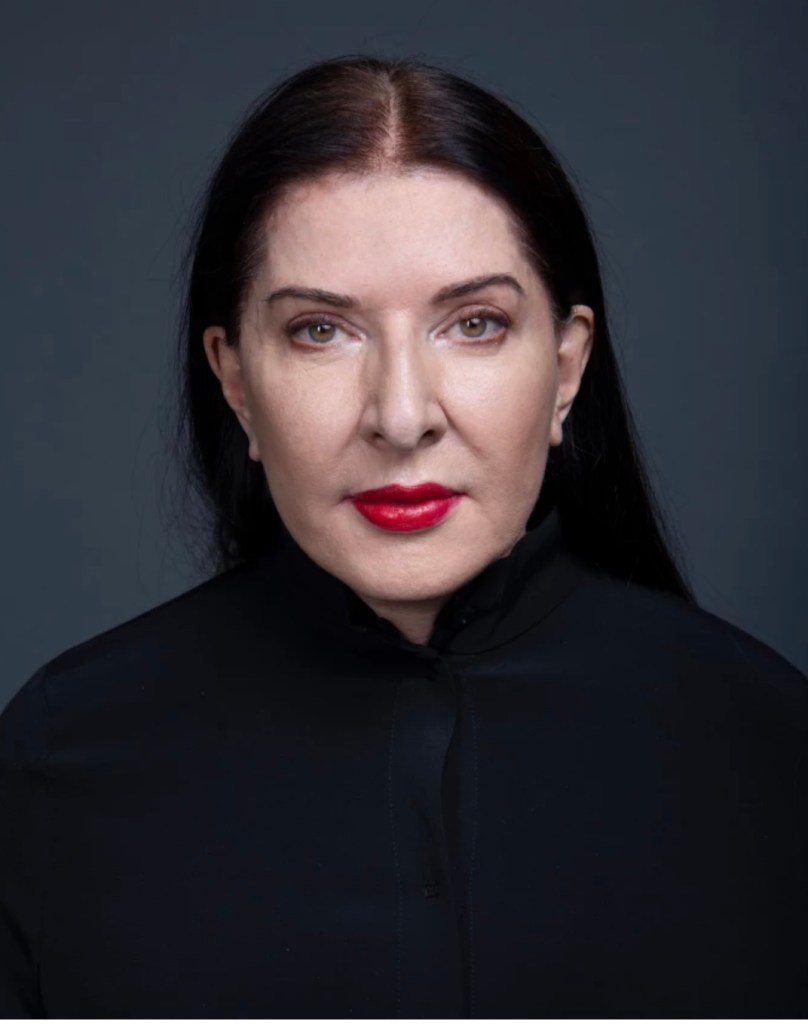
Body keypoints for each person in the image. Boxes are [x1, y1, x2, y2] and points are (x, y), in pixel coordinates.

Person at [1, 54, 806, 1019]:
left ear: (565, 369)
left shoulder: (767, 748)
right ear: (235, 380)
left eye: (474, 324)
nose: (400, 415)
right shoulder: (60, 756)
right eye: (320, 330)